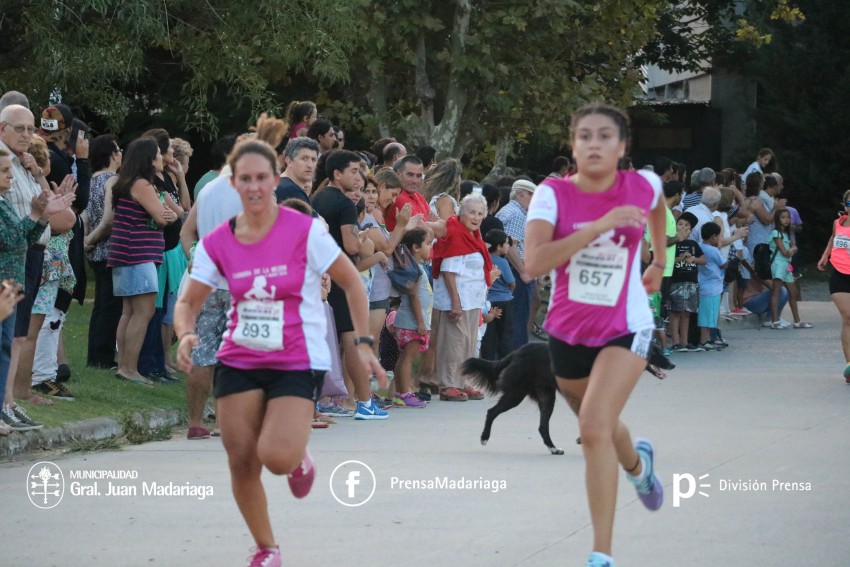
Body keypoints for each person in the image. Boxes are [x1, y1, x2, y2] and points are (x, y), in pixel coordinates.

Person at [174, 140, 384, 567]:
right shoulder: (219, 241)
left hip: (295, 357)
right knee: (241, 458)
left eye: (261, 178)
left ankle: (297, 453)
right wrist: (183, 333)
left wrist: (362, 342)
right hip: (239, 357)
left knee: (276, 456)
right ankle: (267, 547)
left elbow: (352, 283)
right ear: (233, 183)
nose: (253, 187)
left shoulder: (303, 230)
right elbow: (188, 300)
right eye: (244, 179)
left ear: (274, 180)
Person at [524, 104, 666, 567]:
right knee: (601, 423)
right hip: (567, 331)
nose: (594, 144)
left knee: (591, 428)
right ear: (573, 145)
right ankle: (638, 467)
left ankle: (601, 554)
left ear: (622, 146)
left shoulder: (641, 185)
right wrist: (598, 228)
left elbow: (659, 209)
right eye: (584, 136)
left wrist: (658, 262)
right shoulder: (553, 195)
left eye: (605, 136)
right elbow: (534, 264)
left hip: (627, 327)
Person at [108, 137, 179, 386]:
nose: (162, 158)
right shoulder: (143, 185)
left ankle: (123, 365)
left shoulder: (127, 183)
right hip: (138, 254)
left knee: (129, 311)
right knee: (144, 312)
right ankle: (129, 369)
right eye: (158, 154)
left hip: (125, 254)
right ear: (150, 159)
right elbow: (161, 218)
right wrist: (166, 216)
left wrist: (166, 215)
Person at [431, 194, 494, 402]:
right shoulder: (457, 234)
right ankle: (448, 384)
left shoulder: (474, 236)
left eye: (480, 213)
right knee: (453, 343)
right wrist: (455, 302)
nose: (475, 217)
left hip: (472, 300)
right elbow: (449, 271)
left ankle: (463, 382)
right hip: (457, 300)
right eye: (471, 212)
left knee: (467, 343)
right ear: (461, 213)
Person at [84, 134, 123, 369]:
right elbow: (109, 219)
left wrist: (85, 239)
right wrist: (93, 237)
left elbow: (86, 213)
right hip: (108, 248)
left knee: (100, 305)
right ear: (111, 154)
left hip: (94, 251)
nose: (121, 153)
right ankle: (103, 357)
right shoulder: (114, 180)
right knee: (110, 307)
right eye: (118, 149)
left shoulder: (91, 180)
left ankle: (94, 355)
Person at [391, 228, 431, 408]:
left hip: (408, 320)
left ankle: (400, 393)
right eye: (428, 244)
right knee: (408, 357)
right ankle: (404, 393)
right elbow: (414, 295)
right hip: (412, 322)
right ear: (415, 247)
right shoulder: (414, 269)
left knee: (404, 357)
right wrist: (421, 322)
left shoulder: (413, 266)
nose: (430, 247)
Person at [817, 190, 850, 381]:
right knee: (848, 317)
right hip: (840, 274)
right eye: (848, 203)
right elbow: (833, 237)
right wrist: (825, 255)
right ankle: (849, 365)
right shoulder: (838, 223)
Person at [769, 208, 811, 329]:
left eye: (788, 217)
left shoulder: (785, 234)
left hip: (786, 265)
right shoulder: (776, 233)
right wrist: (793, 249)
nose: (786, 220)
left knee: (793, 292)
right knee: (776, 291)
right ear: (777, 219)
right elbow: (785, 252)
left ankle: (797, 320)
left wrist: (791, 250)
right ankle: (775, 320)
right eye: (783, 217)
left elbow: (789, 251)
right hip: (778, 264)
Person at [480, 229, 515, 360]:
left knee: (488, 337)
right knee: (505, 337)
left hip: (487, 301)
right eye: (506, 243)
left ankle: (486, 364)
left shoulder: (482, 258)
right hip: (504, 301)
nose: (508, 246)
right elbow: (512, 283)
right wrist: (508, 292)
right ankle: (505, 365)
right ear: (499, 246)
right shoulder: (502, 262)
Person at [696, 222, 728, 350]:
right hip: (713, 286)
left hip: (703, 284)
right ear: (714, 237)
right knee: (709, 315)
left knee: (707, 314)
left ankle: (708, 339)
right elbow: (724, 264)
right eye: (718, 236)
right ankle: (705, 340)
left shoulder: (699, 246)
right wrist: (719, 250)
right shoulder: (713, 250)